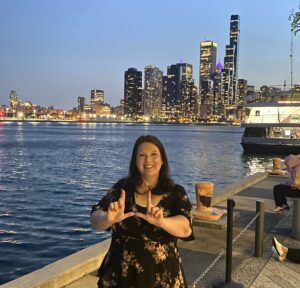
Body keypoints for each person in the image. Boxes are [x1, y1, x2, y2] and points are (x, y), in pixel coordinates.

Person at [90, 135, 194, 288]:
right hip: (120, 275)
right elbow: (95, 217)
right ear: (135, 161)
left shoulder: (175, 192)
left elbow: (185, 229)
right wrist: (108, 218)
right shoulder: (122, 188)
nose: (148, 160)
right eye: (142, 155)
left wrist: (162, 221)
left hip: (162, 276)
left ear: (163, 160)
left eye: (154, 155)